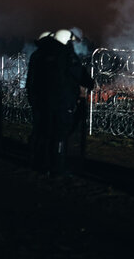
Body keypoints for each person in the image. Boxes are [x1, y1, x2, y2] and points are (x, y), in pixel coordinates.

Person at [41, 29, 93, 177]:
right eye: (70, 41)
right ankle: (58, 167)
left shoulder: (45, 56)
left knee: (48, 133)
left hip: (47, 101)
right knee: (61, 135)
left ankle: (45, 165)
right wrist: (89, 82)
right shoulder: (67, 56)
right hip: (63, 101)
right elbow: (80, 75)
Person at [26, 31, 57, 172]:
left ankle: (35, 159)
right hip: (45, 99)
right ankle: (43, 161)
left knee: (39, 130)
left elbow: (30, 81)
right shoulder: (48, 57)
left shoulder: (36, 56)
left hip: (38, 98)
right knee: (46, 131)